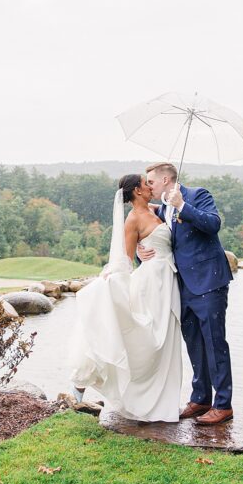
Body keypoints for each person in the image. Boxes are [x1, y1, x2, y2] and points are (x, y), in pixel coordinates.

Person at [67, 173, 182, 422]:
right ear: (137, 191)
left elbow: (160, 237)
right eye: (145, 183)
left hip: (166, 282)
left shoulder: (157, 210)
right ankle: (137, 398)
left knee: (166, 343)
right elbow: (125, 258)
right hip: (151, 284)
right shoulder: (132, 220)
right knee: (151, 342)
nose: (150, 186)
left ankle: (165, 402)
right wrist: (111, 279)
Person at [139, 162, 234, 425]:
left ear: (166, 179)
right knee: (194, 342)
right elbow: (156, 238)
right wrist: (141, 251)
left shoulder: (196, 195)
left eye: (152, 182)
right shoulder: (164, 208)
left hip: (209, 282)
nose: (149, 186)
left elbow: (213, 224)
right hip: (183, 285)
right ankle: (201, 397)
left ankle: (223, 404)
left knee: (215, 343)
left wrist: (183, 205)